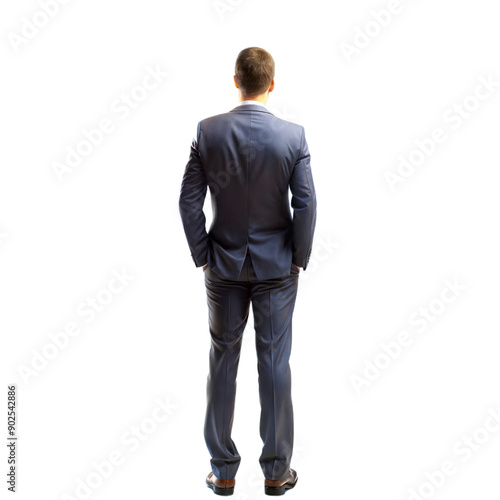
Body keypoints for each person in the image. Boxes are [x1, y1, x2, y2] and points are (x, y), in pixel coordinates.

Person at [179, 46, 317, 496]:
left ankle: (223, 471)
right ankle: (277, 472)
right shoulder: (292, 136)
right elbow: (307, 203)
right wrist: (298, 256)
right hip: (278, 267)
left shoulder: (208, 131)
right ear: (271, 84)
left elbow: (188, 200)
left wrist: (203, 254)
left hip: (223, 265)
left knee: (223, 361)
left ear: (235, 80)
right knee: (274, 363)